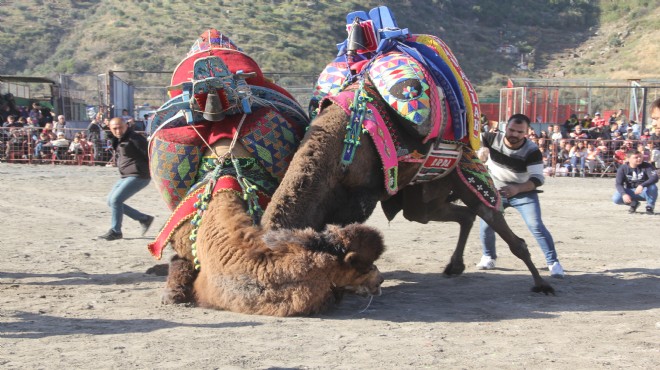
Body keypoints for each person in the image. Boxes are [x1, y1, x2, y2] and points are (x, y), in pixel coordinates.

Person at [477, 113, 564, 278]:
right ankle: (488, 256)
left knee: (535, 225)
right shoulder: (490, 138)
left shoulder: (532, 151)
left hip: (523, 192)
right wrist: (481, 151)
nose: (514, 134)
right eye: (511, 130)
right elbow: (475, 142)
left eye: (519, 132)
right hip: (495, 190)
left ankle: (553, 262)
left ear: (526, 132)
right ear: (505, 128)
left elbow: (537, 179)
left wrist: (517, 189)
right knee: (487, 223)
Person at [98, 117, 154, 241]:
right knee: (110, 201)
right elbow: (112, 138)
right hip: (125, 176)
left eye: (120, 127)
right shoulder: (119, 139)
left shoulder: (136, 138)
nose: (118, 131)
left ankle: (116, 231)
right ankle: (144, 218)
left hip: (139, 175)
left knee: (116, 200)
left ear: (126, 126)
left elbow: (149, 154)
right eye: (114, 129)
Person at [612, 149, 658, 215]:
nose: (639, 159)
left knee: (652, 186)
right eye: (636, 157)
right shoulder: (622, 168)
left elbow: (655, 178)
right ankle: (634, 203)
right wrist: (624, 194)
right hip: (631, 191)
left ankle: (650, 206)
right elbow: (619, 184)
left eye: (640, 157)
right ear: (628, 159)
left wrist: (642, 185)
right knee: (616, 198)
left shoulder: (647, 166)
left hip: (645, 191)